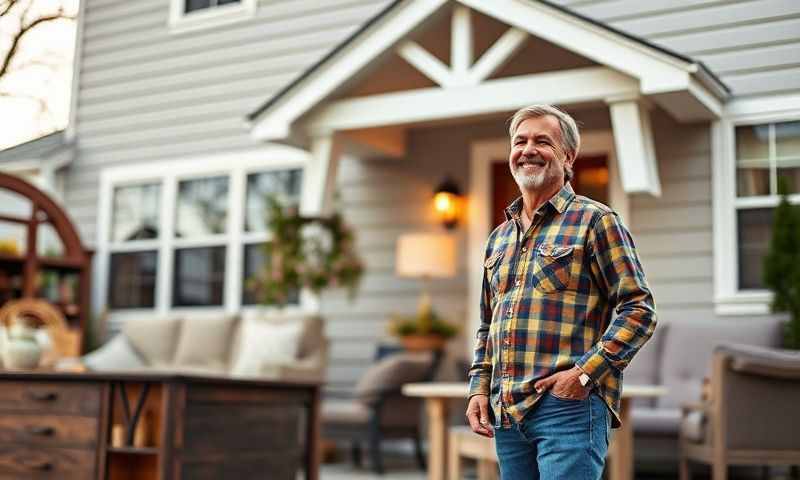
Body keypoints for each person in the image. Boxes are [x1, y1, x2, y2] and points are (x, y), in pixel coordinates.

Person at [466, 104, 657, 480]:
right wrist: (478, 389)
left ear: (568, 156)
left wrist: (584, 375)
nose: (528, 149)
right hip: (507, 413)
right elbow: (488, 326)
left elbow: (639, 309)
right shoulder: (498, 238)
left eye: (542, 141)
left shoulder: (596, 221)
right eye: (519, 141)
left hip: (567, 410)